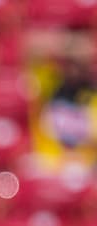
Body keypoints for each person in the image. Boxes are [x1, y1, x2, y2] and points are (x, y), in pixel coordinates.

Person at [24, 27, 97, 173]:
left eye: (79, 63)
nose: (73, 68)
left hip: (86, 168)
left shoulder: (93, 94)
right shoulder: (48, 83)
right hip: (48, 165)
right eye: (69, 62)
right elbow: (29, 48)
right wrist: (69, 44)